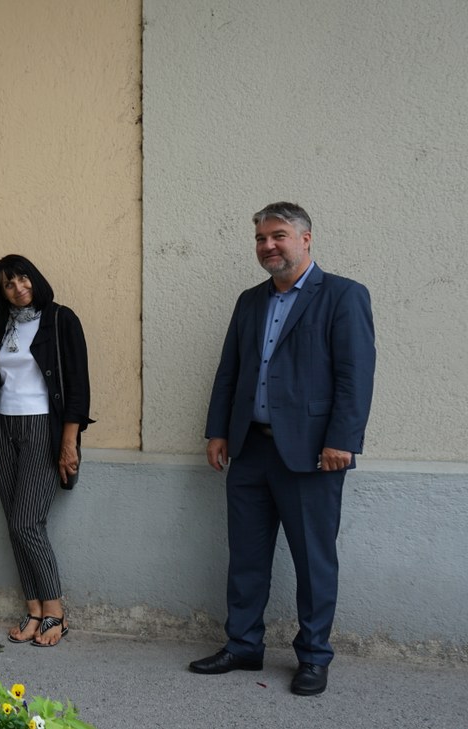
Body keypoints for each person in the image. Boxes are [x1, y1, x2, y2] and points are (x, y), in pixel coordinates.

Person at [190, 202, 376, 696]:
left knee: (314, 561)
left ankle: (314, 657)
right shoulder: (250, 301)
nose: (268, 246)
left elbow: (354, 377)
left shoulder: (342, 296)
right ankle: (244, 644)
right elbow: (229, 371)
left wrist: (342, 439)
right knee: (246, 556)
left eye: (278, 236)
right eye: (260, 238)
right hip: (250, 450)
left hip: (313, 455)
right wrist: (218, 432)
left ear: (305, 239)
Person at [0, 254, 91, 647]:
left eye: (23, 279)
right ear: (1, 292)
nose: (19, 287)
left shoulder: (60, 320)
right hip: (4, 427)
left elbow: (78, 387)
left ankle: (56, 612)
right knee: (14, 525)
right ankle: (34, 610)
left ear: (34, 279)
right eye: (9, 284)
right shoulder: (0, 330)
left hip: (43, 427)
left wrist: (69, 442)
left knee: (27, 523)